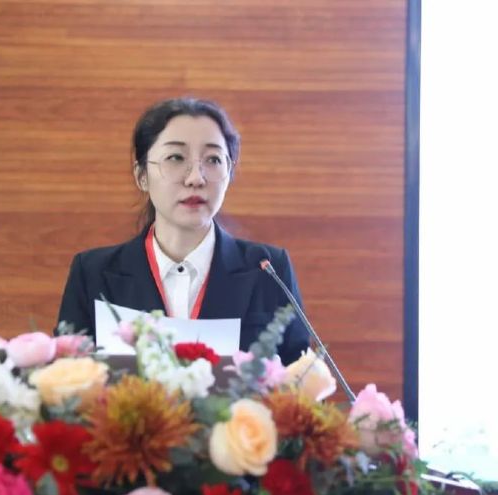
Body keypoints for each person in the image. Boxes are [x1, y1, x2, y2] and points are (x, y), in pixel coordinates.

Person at [56, 97, 310, 364]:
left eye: (213, 159)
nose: (196, 178)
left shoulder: (269, 270)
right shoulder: (93, 274)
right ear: (142, 175)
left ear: (229, 174)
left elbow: (302, 378)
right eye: (175, 158)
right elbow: (65, 378)